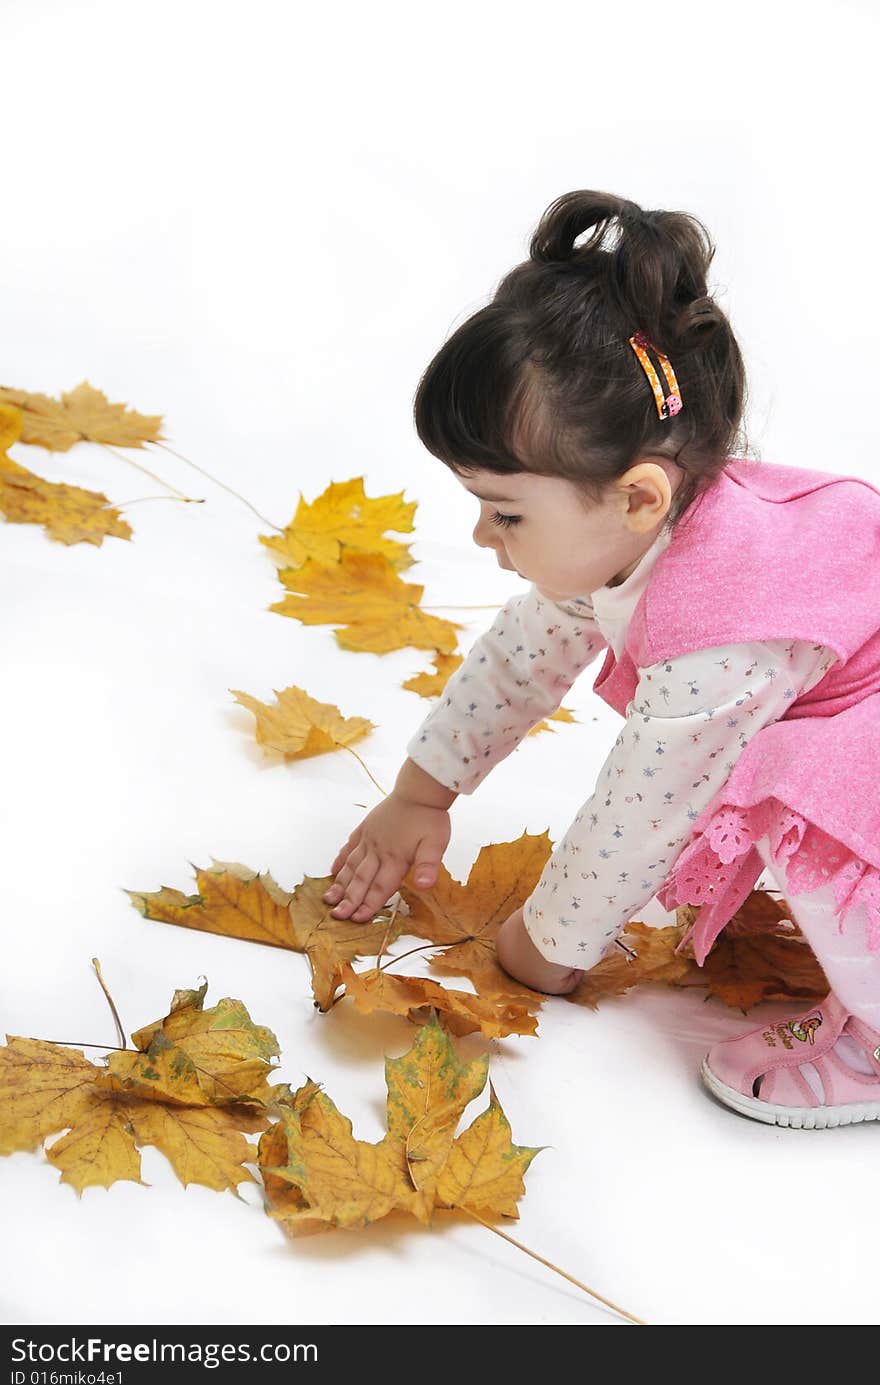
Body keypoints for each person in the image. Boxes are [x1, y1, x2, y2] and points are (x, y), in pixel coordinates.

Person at [323, 189, 880, 1129]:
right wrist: (422, 791)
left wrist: (545, 947)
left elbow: (645, 804)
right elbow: (521, 658)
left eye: (505, 511)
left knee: (816, 821)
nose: (483, 533)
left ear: (638, 498)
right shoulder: (621, 537)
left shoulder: (719, 629)